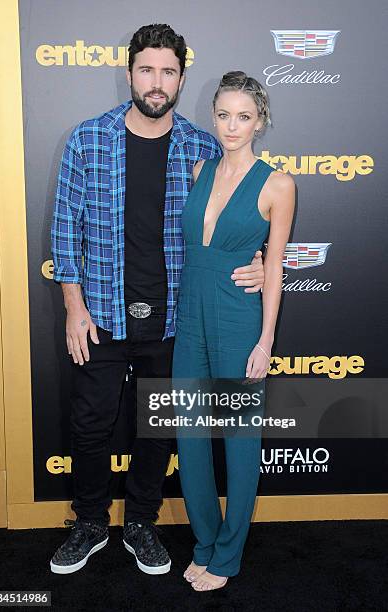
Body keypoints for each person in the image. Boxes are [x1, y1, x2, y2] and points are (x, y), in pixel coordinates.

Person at [50, 25, 265, 575]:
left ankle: (141, 521)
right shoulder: (88, 139)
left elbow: (237, 216)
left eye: (168, 71)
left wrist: (259, 260)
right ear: (129, 73)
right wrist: (74, 307)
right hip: (99, 312)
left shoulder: (202, 146)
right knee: (91, 425)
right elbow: (64, 229)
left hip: (176, 318)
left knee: (158, 425)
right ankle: (91, 522)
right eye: (146, 69)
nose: (157, 81)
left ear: (181, 78)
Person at [172, 71, 295, 591]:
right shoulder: (201, 168)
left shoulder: (278, 184)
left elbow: (276, 265)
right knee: (191, 437)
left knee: (241, 441)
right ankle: (204, 545)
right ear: (213, 115)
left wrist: (266, 340)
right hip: (189, 316)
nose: (231, 125)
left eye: (243, 116)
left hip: (239, 319)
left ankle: (227, 557)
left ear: (260, 121)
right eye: (223, 114)